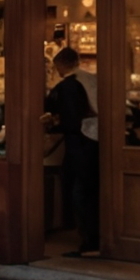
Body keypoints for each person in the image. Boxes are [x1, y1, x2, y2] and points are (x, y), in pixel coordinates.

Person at [45, 48, 100, 258]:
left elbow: (71, 120)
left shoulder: (69, 86)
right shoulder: (92, 79)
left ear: (59, 65)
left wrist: (54, 124)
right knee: (91, 189)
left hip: (82, 142)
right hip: (98, 140)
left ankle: (89, 241)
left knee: (80, 191)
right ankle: (95, 238)